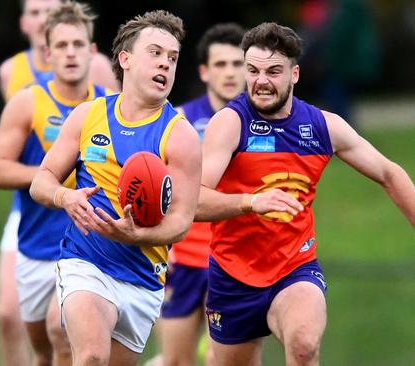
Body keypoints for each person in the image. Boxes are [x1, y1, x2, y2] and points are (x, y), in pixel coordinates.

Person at [196, 22, 415, 365]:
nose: (261, 81)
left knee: (304, 345)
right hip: (232, 275)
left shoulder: (322, 126)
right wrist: (251, 202)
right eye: (252, 71)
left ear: (294, 74)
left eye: (273, 71)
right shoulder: (230, 123)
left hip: (295, 267)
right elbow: (193, 199)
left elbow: (389, 173)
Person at [30, 10, 201, 366]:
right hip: (85, 261)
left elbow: (182, 221)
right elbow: (41, 181)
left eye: (172, 58)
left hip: (143, 278)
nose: (166, 65)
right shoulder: (87, 116)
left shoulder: (180, 134)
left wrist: (134, 235)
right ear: (125, 59)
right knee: (91, 356)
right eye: (155, 53)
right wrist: (65, 197)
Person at [0, 1, 119, 364]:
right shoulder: (28, 102)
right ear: (47, 52)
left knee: (61, 329)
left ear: (93, 51)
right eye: (61, 45)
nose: (71, 53)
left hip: (88, 246)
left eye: (78, 45)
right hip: (35, 244)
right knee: (42, 351)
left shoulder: (112, 108)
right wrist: (53, 180)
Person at [149, 22, 246, 366]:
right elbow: (152, 184)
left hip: (237, 258)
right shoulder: (178, 120)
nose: (230, 73)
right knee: (175, 360)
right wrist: (159, 239)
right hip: (185, 258)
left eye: (238, 64)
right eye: (221, 64)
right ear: (205, 71)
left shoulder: (262, 123)